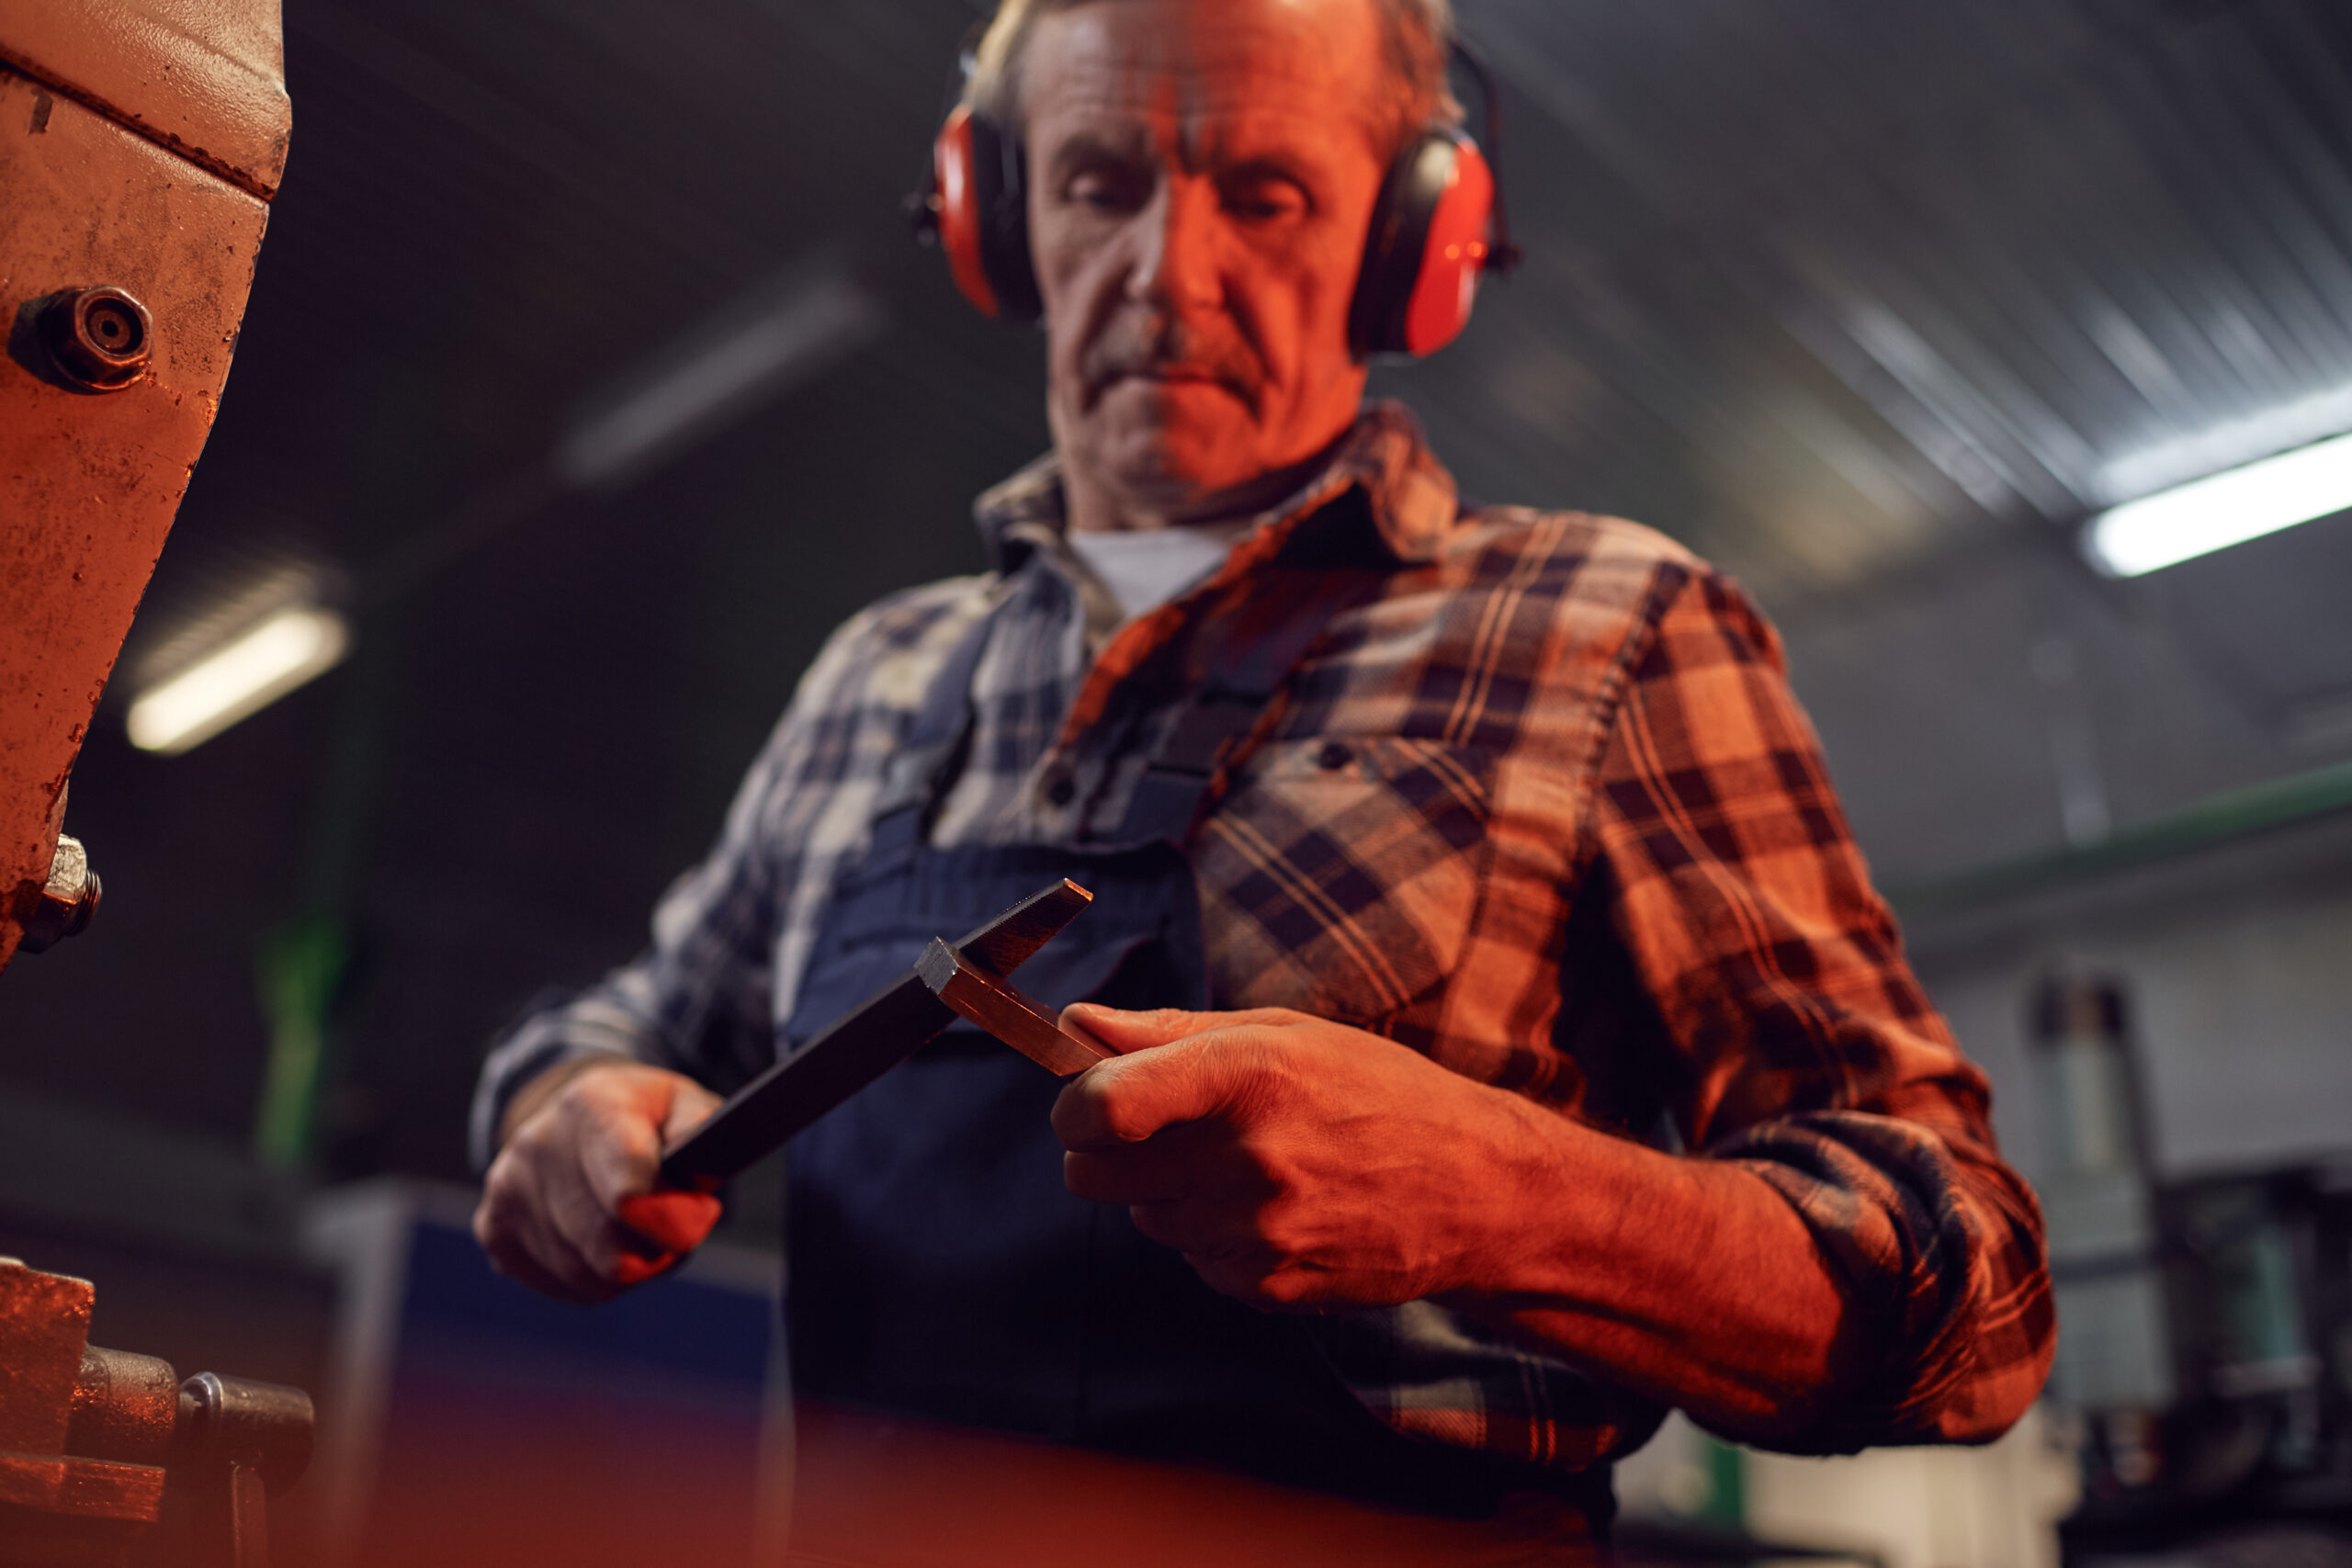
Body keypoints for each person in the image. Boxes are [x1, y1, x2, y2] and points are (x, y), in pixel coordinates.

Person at [469, 0, 2053, 1541]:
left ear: (1412, 241)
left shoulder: (1607, 630)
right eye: (1100, 182)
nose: (1169, 275)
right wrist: (571, 1112)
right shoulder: (871, 681)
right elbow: (620, 1032)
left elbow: (1983, 1300)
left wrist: (1505, 1196)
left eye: (1268, 193)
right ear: (995, 218)